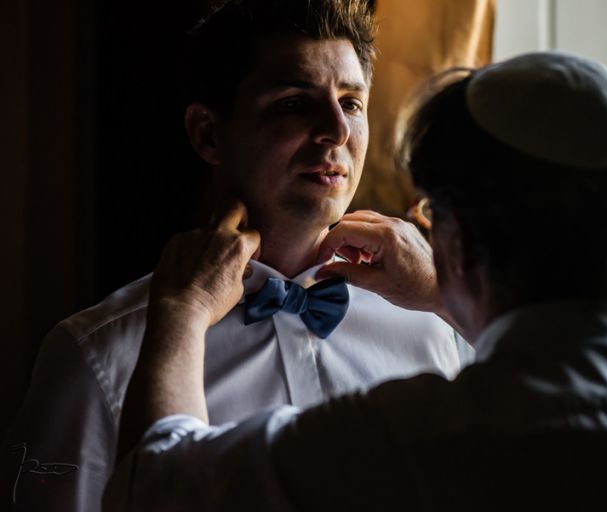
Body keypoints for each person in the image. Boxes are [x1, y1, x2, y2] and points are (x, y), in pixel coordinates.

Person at [105, 51, 607, 511]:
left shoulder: (411, 438)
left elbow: (153, 487)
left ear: (455, 236)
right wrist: (443, 289)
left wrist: (184, 311)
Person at [1, 1, 469, 510]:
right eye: (293, 103)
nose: (337, 131)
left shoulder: (439, 321)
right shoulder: (95, 356)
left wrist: (447, 297)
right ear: (207, 133)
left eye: (352, 103)